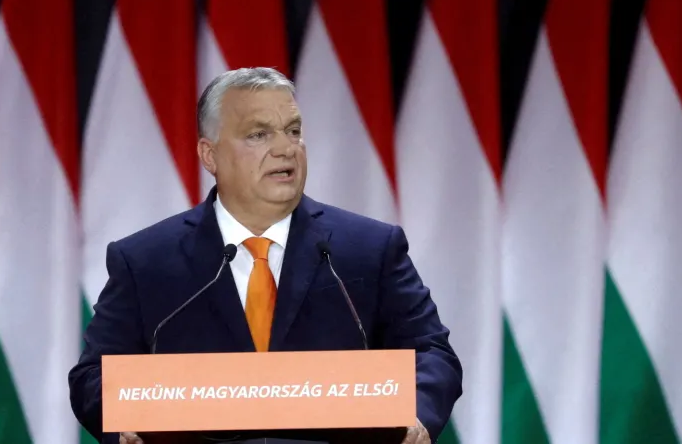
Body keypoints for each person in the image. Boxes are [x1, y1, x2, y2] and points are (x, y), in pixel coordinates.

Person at [69, 67, 462, 444]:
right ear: (210, 156)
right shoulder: (146, 261)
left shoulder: (370, 249)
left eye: (293, 131)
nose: (284, 148)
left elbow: (432, 353)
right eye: (258, 134)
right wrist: (121, 423)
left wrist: (418, 415)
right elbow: (94, 375)